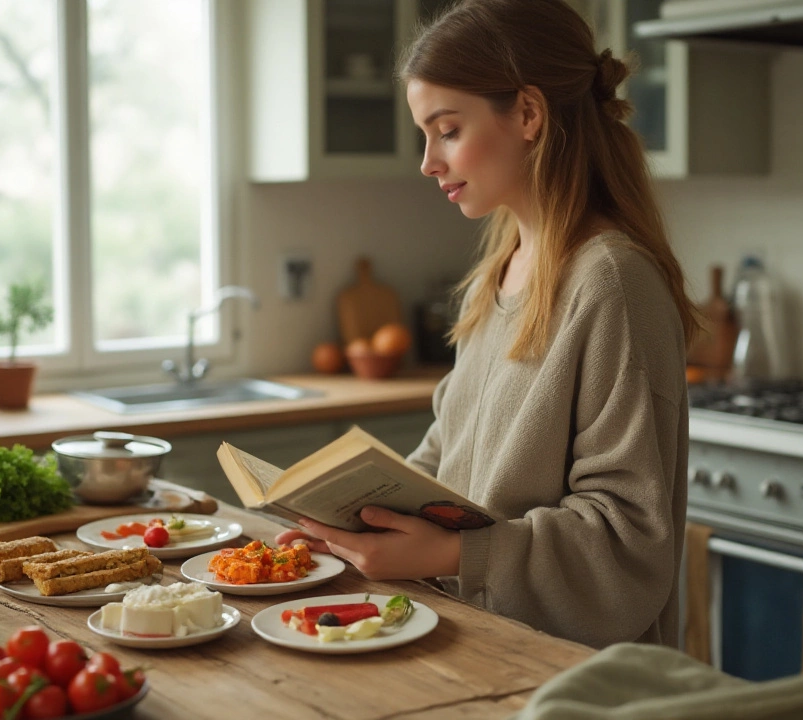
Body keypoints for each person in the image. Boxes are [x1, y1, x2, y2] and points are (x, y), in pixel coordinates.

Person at [277, 0, 701, 649]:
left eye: (446, 129)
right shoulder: (495, 275)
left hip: (572, 674)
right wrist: (350, 519)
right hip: (476, 639)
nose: (428, 161)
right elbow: (447, 458)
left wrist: (450, 555)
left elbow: (627, 538)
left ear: (528, 114)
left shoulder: (612, 283)